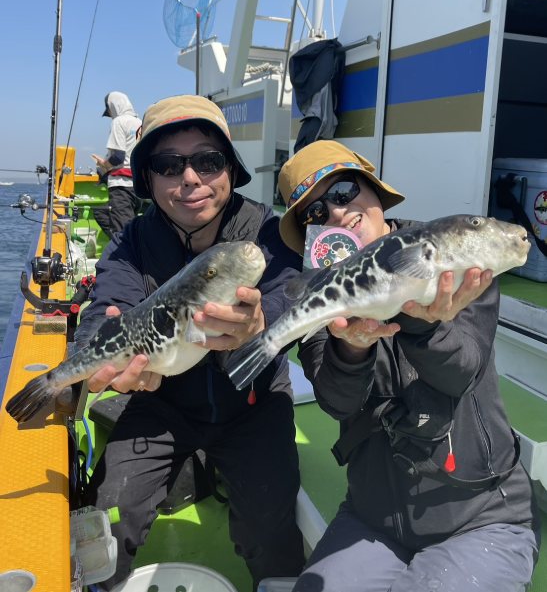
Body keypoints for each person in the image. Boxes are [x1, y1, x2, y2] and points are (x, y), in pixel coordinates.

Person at [276, 140, 540, 592]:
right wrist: (351, 349)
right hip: (373, 519)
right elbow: (337, 402)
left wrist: (422, 323)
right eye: (314, 213)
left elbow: (462, 372)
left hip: (481, 517)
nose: (336, 212)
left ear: (374, 191)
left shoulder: (452, 258)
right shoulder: (325, 292)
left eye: (343, 191)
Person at [75, 95, 305, 591]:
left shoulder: (269, 232)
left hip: (254, 403)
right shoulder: (132, 242)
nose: (190, 178)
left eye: (208, 160)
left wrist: (259, 323)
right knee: (106, 514)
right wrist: (98, 354)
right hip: (161, 402)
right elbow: (105, 308)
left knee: (270, 529)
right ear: (148, 179)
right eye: (168, 165)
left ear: (230, 169)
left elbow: (290, 294)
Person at [92, 90, 142, 239]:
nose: (111, 116)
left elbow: (118, 157)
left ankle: (123, 247)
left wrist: (103, 165)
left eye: (109, 112)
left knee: (122, 232)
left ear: (113, 106)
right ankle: (123, 243)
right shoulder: (141, 123)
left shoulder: (119, 122)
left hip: (122, 186)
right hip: (137, 186)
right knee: (100, 212)